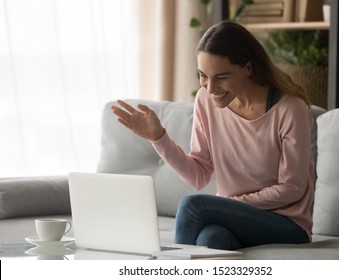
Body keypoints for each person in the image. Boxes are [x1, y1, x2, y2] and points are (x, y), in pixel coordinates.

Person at [111, 21, 314, 250]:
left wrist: (227, 204)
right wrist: (158, 137)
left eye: (222, 77)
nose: (210, 88)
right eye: (203, 76)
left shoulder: (290, 109)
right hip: (230, 214)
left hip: (286, 223)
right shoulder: (205, 100)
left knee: (192, 205)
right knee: (211, 240)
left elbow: (292, 188)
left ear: (248, 68)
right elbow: (199, 175)